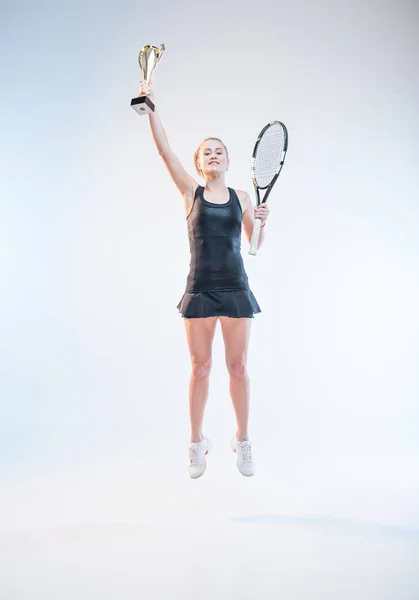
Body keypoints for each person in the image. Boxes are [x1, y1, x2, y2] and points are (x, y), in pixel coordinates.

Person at [139, 79, 269, 479]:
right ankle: (197, 444)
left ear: (228, 161)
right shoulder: (189, 192)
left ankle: (242, 440)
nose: (213, 155)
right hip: (199, 288)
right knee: (200, 367)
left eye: (219, 151)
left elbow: (256, 246)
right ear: (199, 164)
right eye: (206, 152)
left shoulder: (242, 197)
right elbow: (164, 150)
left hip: (235, 288)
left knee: (238, 367)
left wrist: (263, 223)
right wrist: (150, 107)